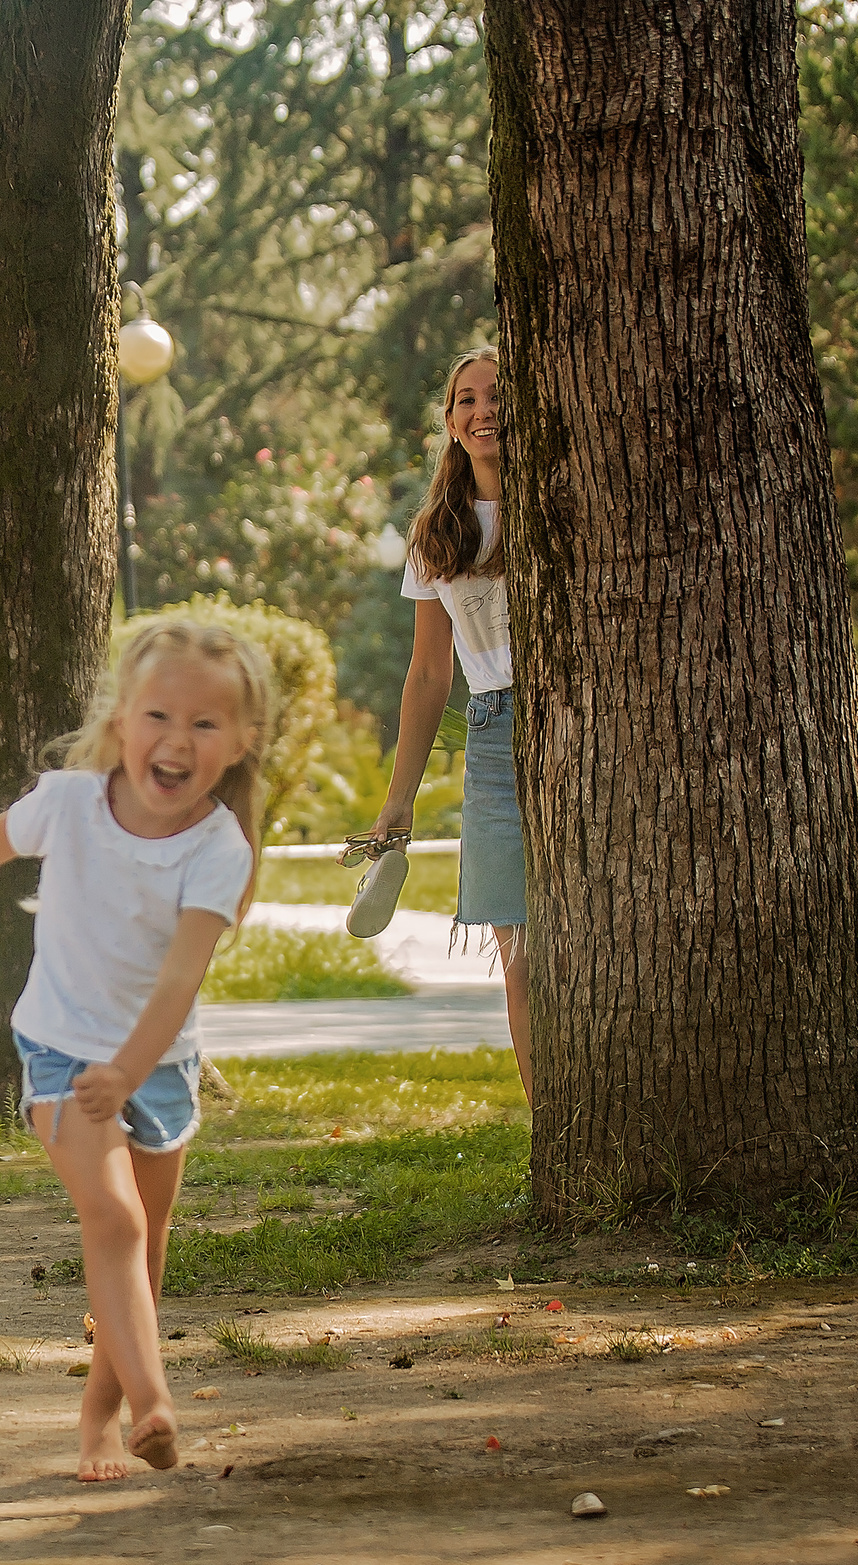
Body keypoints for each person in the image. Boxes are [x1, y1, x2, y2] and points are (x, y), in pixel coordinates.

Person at [0, 620, 272, 1481]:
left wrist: (132, 1070)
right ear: (119, 722)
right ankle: (155, 1403)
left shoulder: (219, 848)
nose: (176, 740)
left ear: (240, 744)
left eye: (205, 725)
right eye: (158, 715)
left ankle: (99, 1421)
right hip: (61, 1049)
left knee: (142, 1251)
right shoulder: (69, 804)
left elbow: (180, 980)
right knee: (112, 1218)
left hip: (159, 1065)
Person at [370, 345, 532, 1101]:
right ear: (451, 423)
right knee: (523, 954)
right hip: (496, 734)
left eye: (496, 393)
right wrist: (398, 800)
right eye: (466, 399)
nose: (483, 408)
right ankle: (554, 1134)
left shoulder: (558, 502)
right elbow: (430, 676)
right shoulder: (438, 532)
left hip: (574, 722)